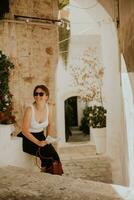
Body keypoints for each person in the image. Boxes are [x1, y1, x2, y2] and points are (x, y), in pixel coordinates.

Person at [19, 84, 63, 175]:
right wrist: (38, 142)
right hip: (28, 138)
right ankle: (50, 176)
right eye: (36, 94)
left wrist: (48, 138)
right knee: (47, 154)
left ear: (46, 96)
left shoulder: (48, 107)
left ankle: (55, 177)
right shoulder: (30, 109)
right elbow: (24, 131)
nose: (38, 96)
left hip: (40, 135)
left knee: (54, 155)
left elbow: (50, 124)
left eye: (41, 94)